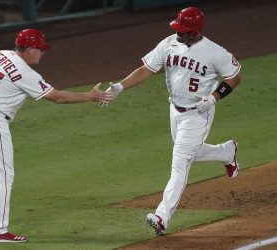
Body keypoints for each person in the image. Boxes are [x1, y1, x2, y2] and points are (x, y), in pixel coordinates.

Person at [0, 29, 112, 243]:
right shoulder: (24, 72)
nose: (42, 54)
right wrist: (90, 96)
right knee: (3, 177)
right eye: (40, 50)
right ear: (29, 50)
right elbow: (57, 97)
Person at [100, 7, 241, 235]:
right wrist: (120, 86)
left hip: (198, 114)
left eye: (183, 30)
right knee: (188, 152)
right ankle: (227, 152)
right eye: (177, 28)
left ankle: (162, 216)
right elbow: (146, 69)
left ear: (195, 32)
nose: (178, 33)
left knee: (179, 163)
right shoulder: (168, 43)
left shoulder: (214, 52)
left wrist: (214, 98)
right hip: (174, 111)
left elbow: (235, 77)